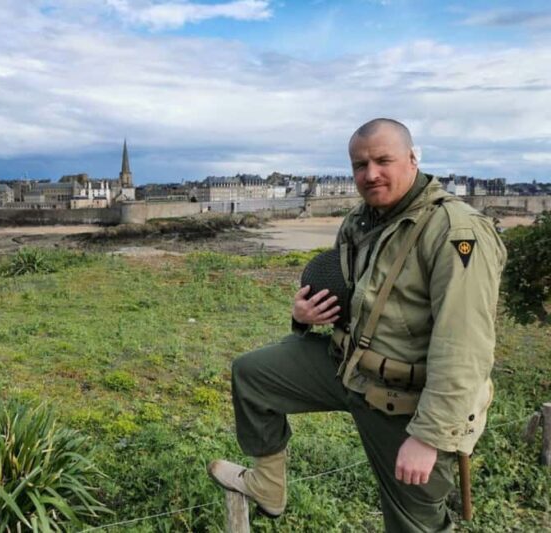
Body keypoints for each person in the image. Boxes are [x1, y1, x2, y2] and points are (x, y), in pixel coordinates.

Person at [208, 118, 506, 532]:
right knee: (253, 375)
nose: (371, 174)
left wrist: (429, 437)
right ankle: (267, 486)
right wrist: (303, 317)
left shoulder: (456, 231)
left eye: (384, 160)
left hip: (406, 398)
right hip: (347, 366)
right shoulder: (360, 221)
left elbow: (465, 346)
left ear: (413, 158)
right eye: (360, 165)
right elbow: (348, 297)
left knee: (413, 523)